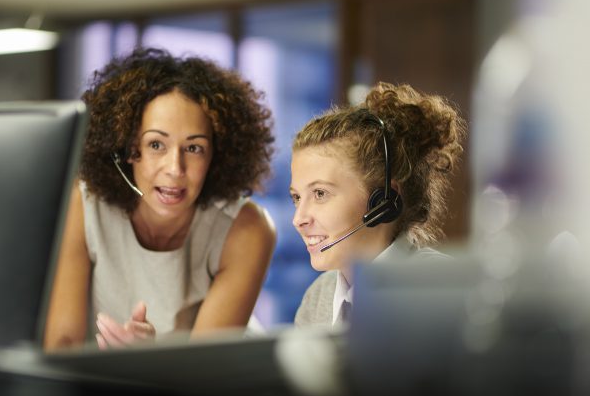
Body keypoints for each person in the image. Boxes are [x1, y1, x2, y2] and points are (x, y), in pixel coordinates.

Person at [43, 48, 276, 351]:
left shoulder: (246, 228)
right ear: (125, 149)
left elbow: (205, 372)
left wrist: (146, 359)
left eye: (194, 148)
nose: (175, 169)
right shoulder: (84, 206)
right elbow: (62, 347)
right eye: (156, 144)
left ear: (216, 156)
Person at [289, 82, 466, 328]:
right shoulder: (319, 297)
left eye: (320, 193)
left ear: (383, 200)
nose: (299, 219)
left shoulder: (442, 288)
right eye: (297, 197)